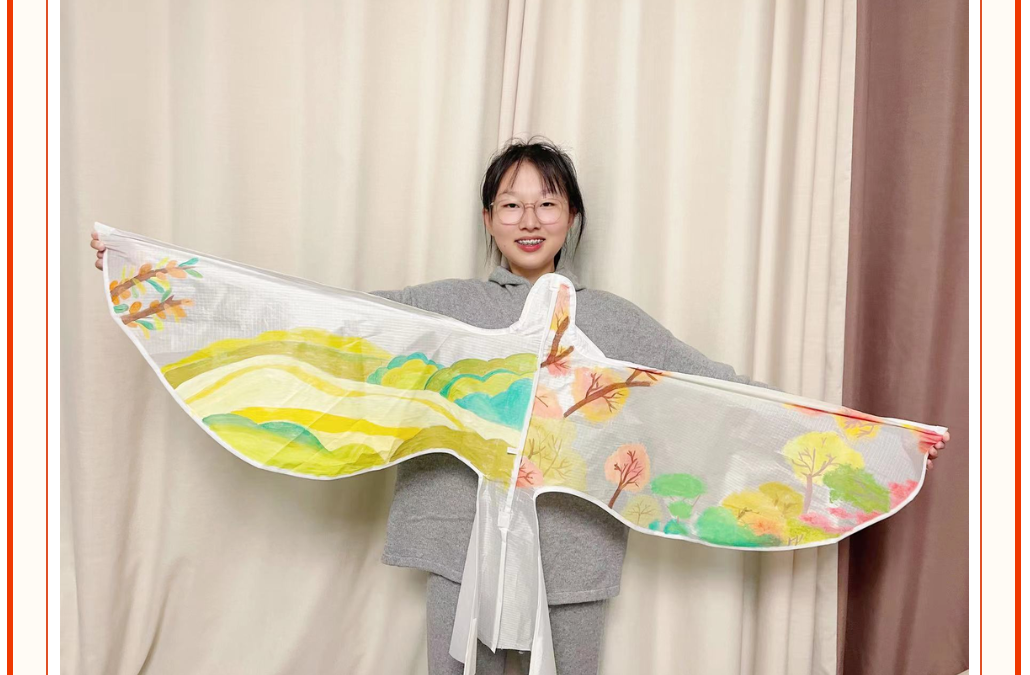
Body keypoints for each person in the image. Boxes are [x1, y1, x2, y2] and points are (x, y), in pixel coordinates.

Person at [90, 137, 946, 675]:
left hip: (572, 558)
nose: (529, 217)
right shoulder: (444, 306)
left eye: (547, 202)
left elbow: (714, 388)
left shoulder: (612, 318)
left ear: (572, 216)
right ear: (489, 218)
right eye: (511, 203)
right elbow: (324, 321)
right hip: (458, 547)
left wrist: (877, 443)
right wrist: (155, 276)